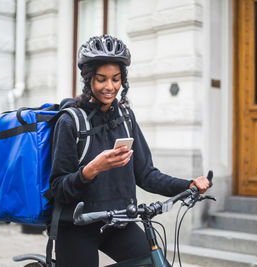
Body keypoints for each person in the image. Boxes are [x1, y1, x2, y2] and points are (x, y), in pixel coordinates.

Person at [48, 34, 210, 267]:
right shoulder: (71, 121)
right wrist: (91, 170)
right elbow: (58, 188)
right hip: (76, 226)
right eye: (101, 79)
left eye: (116, 79)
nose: (110, 87)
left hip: (118, 222)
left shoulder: (125, 117)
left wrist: (188, 185)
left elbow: (146, 174)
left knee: (154, 262)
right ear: (89, 79)